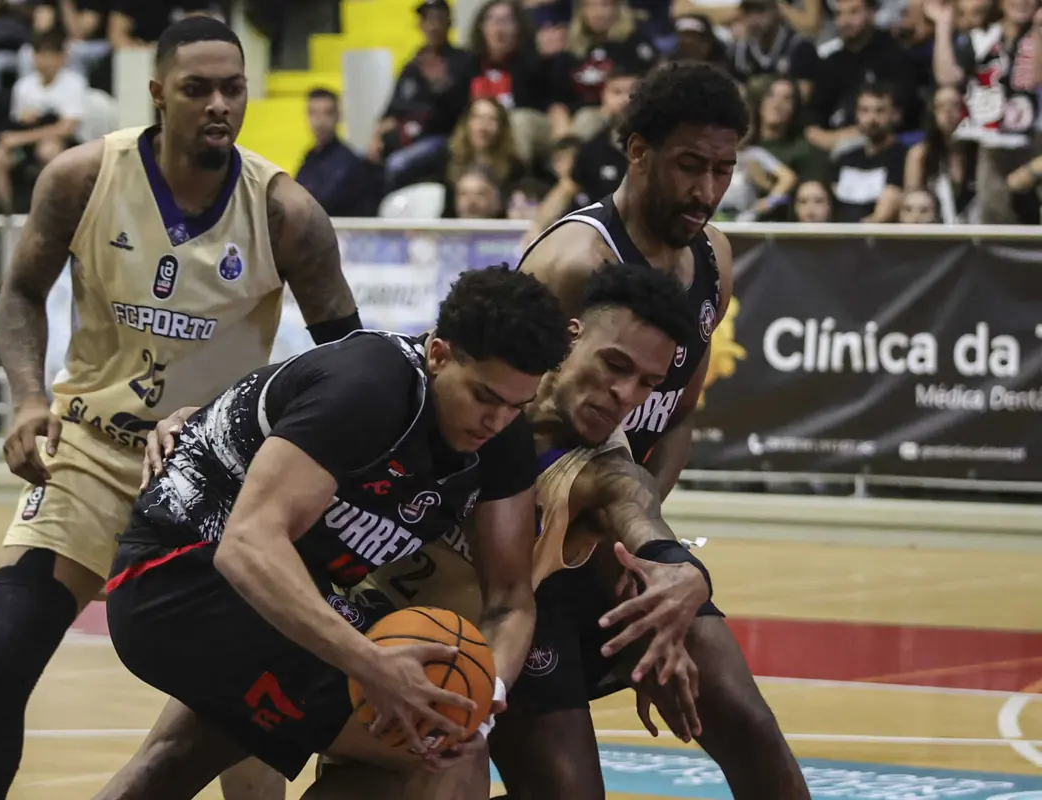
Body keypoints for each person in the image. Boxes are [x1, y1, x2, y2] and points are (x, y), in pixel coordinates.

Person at [0, 16, 362, 800]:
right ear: (156, 96)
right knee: (0, 655)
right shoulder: (81, 177)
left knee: (242, 726)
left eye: (232, 89)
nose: (219, 105)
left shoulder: (285, 213)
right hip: (92, 453)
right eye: (197, 89)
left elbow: (353, 362)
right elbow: (21, 294)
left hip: (215, 480)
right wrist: (29, 398)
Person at [130, 261, 715, 800]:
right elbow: (249, 541)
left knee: (177, 762)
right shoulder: (372, 386)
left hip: (317, 601)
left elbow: (516, 599)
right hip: (193, 580)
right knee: (439, 755)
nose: (495, 420)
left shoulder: (523, 441)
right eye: (484, 397)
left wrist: (484, 706)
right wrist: (370, 664)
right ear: (439, 354)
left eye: (515, 406)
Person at [490, 60, 811, 800]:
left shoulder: (714, 259)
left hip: (612, 536)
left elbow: (681, 414)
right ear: (637, 150)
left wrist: (643, 552)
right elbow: (492, 428)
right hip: (514, 552)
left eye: (724, 169)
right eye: (689, 165)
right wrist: (624, 552)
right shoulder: (573, 262)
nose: (706, 190)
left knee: (747, 724)